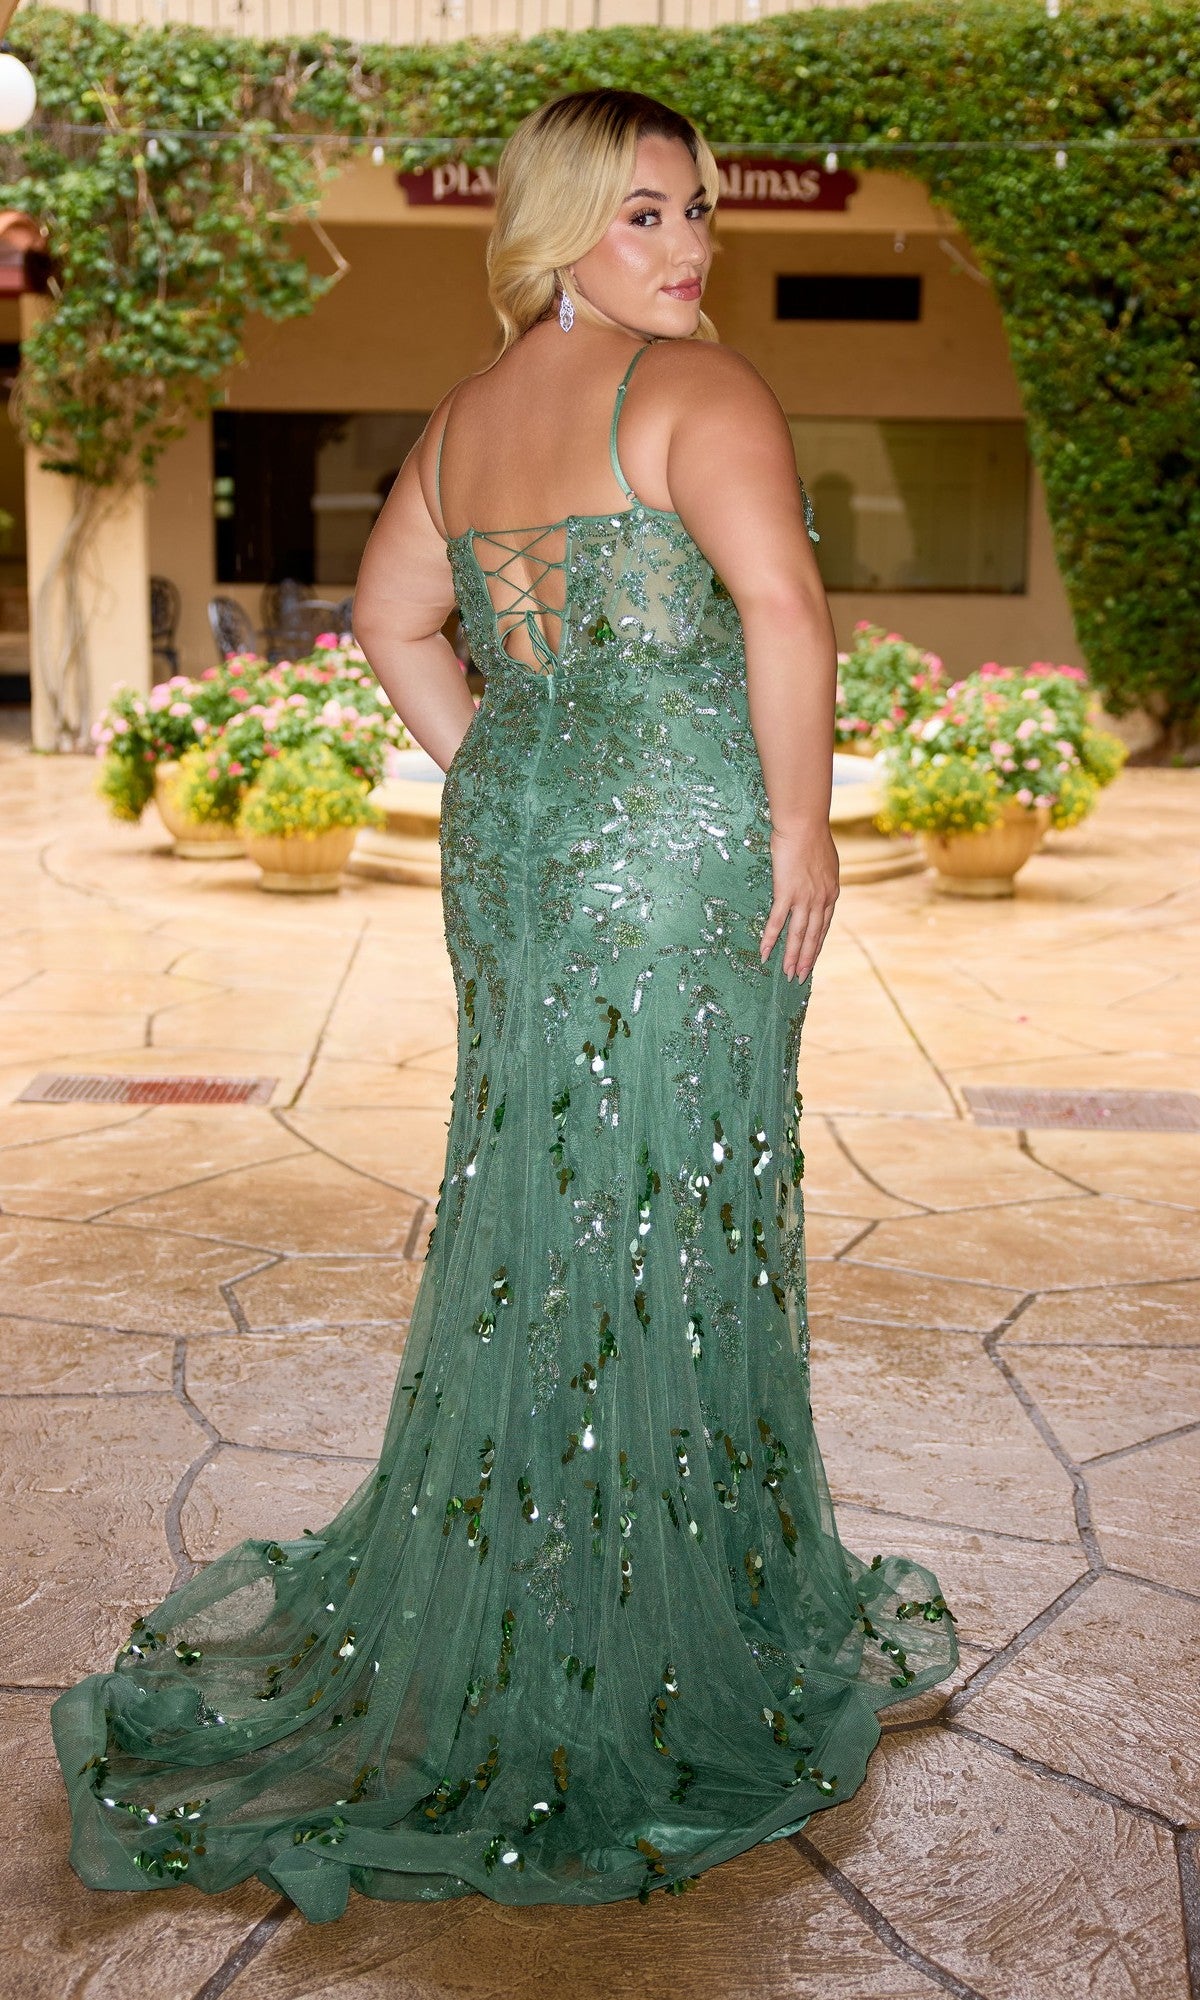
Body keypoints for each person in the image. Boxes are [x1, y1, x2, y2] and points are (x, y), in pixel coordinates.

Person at [51, 88, 958, 1920]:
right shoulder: (704, 396)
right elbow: (783, 610)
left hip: (528, 850)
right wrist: (800, 825)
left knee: (551, 1203)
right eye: (644, 214)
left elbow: (395, 622)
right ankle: (662, 1620)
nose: (691, 245)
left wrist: (509, 767)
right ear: (556, 228)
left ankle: (552, 1569)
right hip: (683, 849)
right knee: (681, 1204)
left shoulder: (464, 424)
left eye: (698, 210)